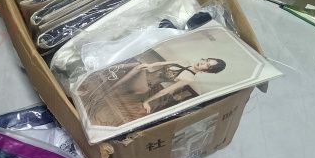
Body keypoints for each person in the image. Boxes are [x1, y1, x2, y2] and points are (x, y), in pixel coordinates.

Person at [76, 57, 226, 127]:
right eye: (206, 60)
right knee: (139, 65)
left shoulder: (190, 79)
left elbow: (165, 91)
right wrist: (150, 65)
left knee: (137, 65)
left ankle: (105, 85)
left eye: (207, 65)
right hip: (145, 75)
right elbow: (161, 63)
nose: (203, 62)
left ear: (207, 71)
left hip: (144, 86)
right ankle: (101, 77)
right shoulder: (185, 61)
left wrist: (147, 101)